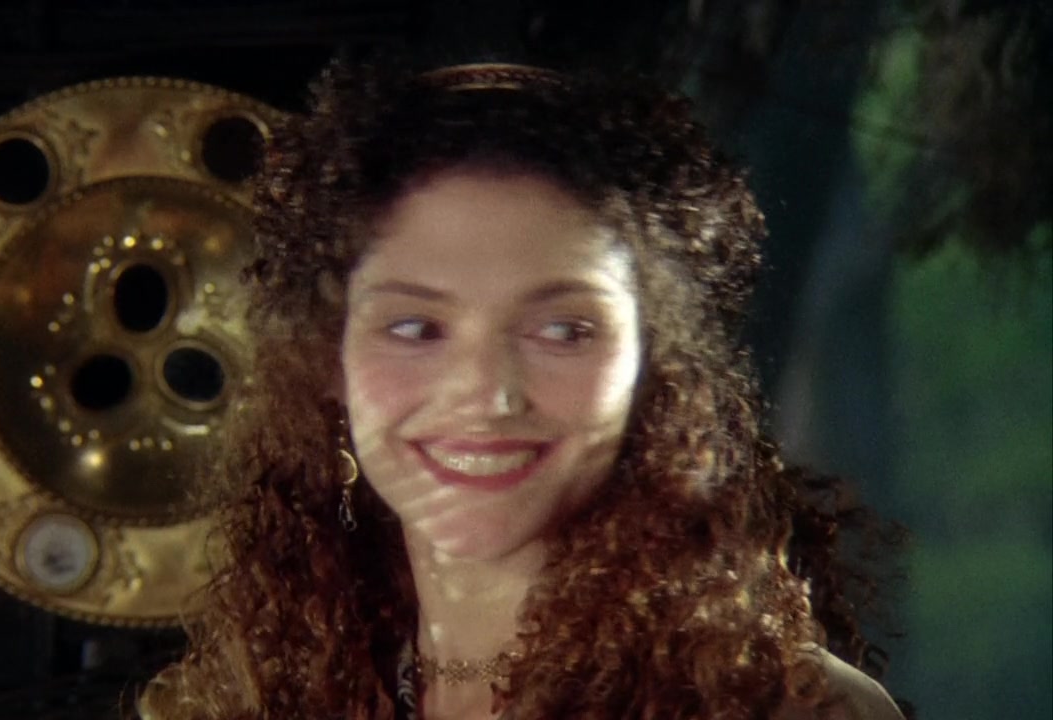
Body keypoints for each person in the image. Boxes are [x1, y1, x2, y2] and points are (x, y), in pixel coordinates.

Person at [138, 56, 908, 720]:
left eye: (563, 330)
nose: (488, 393)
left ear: (654, 367)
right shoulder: (239, 700)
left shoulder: (787, 707)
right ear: (327, 363)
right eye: (416, 327)